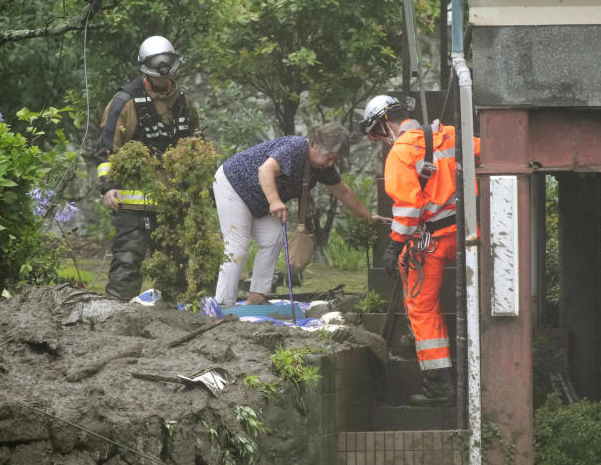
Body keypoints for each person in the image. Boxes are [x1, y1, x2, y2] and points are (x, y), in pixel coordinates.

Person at [360, 95, 480, 407]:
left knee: (422, 307)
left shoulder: (400, 153)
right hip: (470, 233)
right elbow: (488, 152)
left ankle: (439, 386)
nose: (380, 141)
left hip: (432, 241)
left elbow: (409, 208)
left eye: (376, 135)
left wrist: (393, 246)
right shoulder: (449, 134)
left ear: (386, 124)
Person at [213, 122, 382, 306]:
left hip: (257, 198)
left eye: (336, 160)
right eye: (330, 157)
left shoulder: (323, 168)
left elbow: (343, 192)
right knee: (238, 247)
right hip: (233, 185)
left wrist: (368, 218)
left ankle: (256, 296)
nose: (331, 163)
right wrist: (275, 201)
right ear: (315, 145)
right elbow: (265, 170)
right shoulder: (295, 148)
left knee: (274, 237)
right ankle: (223, 303)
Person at [96, 35, 201, 300]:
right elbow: (108, 148)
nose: (164, 77)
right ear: (146, 68)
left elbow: (195, 146)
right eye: (158, 70)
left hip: (172, 201)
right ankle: (116, 315)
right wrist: (109, 187)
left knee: (174, 267)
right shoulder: (125, 102)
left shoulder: (183, 102)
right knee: (127, 263)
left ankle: (171, 320)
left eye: (168, 68)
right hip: (133, 203)